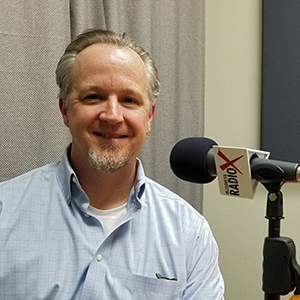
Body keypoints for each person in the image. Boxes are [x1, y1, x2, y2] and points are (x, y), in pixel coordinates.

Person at [0, 29, 224, 299]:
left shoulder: (190, 233)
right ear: (64, 110)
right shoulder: (5, 211)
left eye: (129, 100)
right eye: (94, 96)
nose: (112, 115)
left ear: (149, 116)